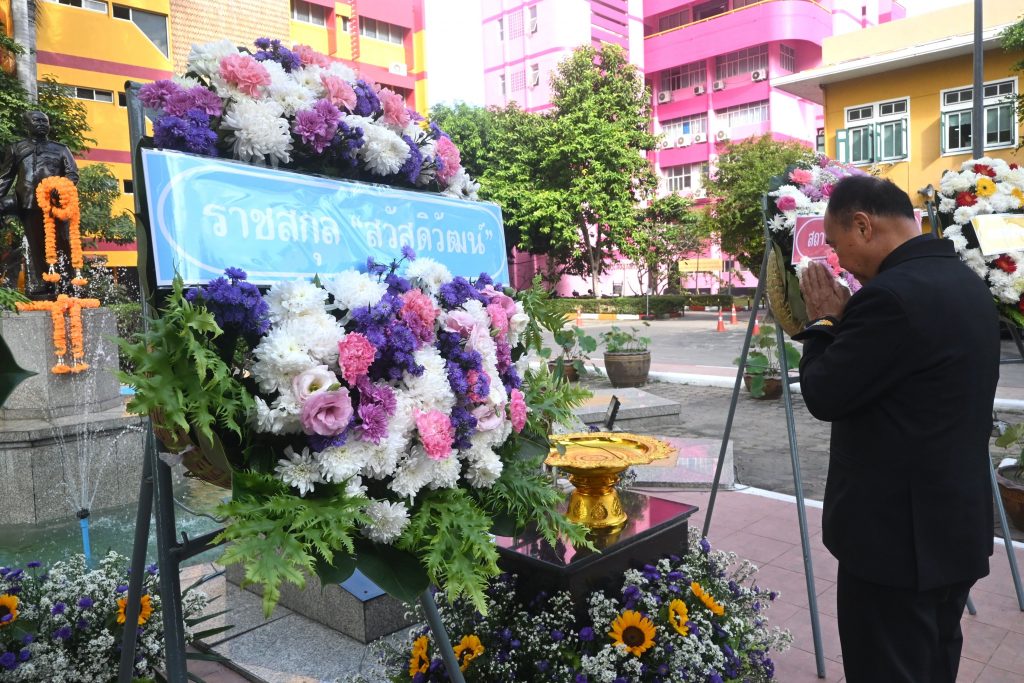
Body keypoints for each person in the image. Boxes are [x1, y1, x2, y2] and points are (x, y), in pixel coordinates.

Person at [795, 175, 999, 683]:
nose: (838, 261)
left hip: (895, 544)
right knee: (934, 664)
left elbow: (824, 393)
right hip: (953, 528)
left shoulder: (890, 296)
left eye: (837, 245)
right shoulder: (966, 282)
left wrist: (823, 323)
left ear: (863, 226)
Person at [0, 110, 80, 296]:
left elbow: (72, 174)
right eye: (37, 121)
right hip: (28, 202)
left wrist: (61, 187)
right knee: (36, 245)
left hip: (56, 204)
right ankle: (46, 283)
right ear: (27, 125)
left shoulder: (61, 149)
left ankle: (68, 283)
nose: (42, 124)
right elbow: (5, 178)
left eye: (45, 121)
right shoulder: (16, 148)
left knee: (63, 242)